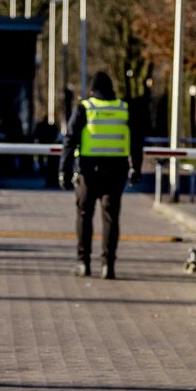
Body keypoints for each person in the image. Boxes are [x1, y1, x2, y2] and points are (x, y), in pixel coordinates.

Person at [58, 71, 143, 280]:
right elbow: (136, 142)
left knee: (84, 215)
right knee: (111, 217)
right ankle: (108, 265)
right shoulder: (124, 109)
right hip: (116, 171)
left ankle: (83, 263)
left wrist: (64, 170)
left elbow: (70, 140)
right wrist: (136, 168)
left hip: (89, 171)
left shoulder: (85, 108)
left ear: (93, 90)